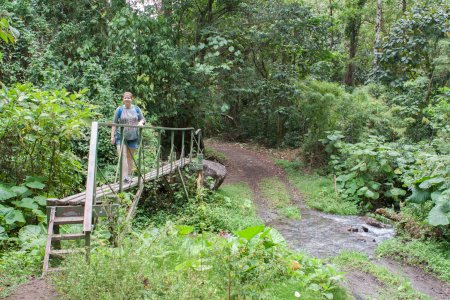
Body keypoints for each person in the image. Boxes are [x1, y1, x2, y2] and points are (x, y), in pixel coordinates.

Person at [110, 92, 145, 182]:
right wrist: (112, 136)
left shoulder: (136, 109)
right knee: (122, 156)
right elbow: (114, 123)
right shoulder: (119, 109)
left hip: (133, 137)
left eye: (128, 98)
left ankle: (128, 176)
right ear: (123, 99)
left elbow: (142, 119)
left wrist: (140, 123)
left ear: (131, 99)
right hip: (120, 136)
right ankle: (124, 177)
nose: (127, 99)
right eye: (125, 98)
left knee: (130, 157)